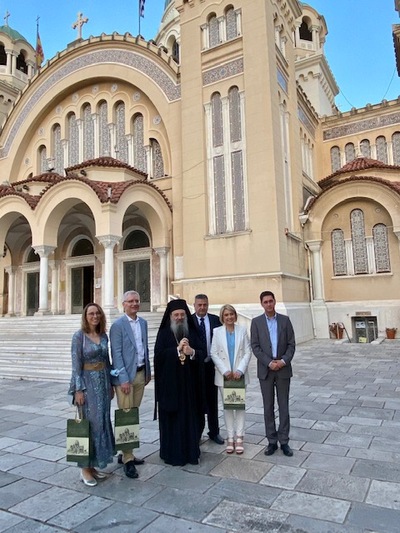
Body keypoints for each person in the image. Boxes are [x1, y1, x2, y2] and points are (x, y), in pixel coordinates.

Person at [68, 303, 115, 487]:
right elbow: (76, 365)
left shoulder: (103, 336)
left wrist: (111, 383)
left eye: (97, 313)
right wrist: (78, 389)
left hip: (103, 383)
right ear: (85, 317)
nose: (95, 316)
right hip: (87, 385)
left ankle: (94, 465)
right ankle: (85, 468)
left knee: (102, 422)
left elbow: (107, 360)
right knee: (89, 425)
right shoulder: (79, 337)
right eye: (91, 314)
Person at [154, 299, 205, 466]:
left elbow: (203, 353)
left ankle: (191, 452)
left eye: (182, 314)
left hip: (190, 386)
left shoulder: (193, 332)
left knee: (190, 419)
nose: (179, 318)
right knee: (173, 421)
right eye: (176, 315)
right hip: (171, 387)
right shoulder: (163, 334)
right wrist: (176, 350)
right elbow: (158, 358)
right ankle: (172, 453)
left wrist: (192, 352)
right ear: (170, 316)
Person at [110, 290, 151, 479]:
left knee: (133, 415)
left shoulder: (143, 323)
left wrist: (148, 371)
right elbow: (116, 353)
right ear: (123, 304)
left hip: (141, 374)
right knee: (126, 416)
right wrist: (123, 379)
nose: (134, 304)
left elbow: (144, 348)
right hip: (125, 379)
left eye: (137, 300)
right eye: (130, 301)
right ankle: (128, 459)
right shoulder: (118, 326)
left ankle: (126, 452)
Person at [250, 291, 295, 457]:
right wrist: (269, 362)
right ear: (261, 304)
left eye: (271, 301)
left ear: (275, 301)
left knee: (283, 406)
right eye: (265, 302)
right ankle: (271, 441)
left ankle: (284, 441)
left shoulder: (285, 320)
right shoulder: (256, 322)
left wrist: (283, 361)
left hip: (283, 369)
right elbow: (255, 346)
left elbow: (291, 344)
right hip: (266, 370)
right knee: (268, 406)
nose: (269, 304)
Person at [211, 304, 252, 454]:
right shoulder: (217, 332)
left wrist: (240, 370)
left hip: (239, 375)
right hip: (225, 376)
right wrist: (225, 370)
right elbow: (214, 353)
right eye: (226, 315)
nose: (229, 317)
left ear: (235, 315)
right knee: (228, 407)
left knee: (239, 406)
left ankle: (239, 437)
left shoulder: (242, 330)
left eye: (231, 314)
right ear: (222, 317)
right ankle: (230, 437)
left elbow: (248, 352)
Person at [192, 294, 224, 445]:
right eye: (199, 305)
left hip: (212, 365)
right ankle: (197, 432)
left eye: (205, 304)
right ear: (194, 305)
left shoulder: (215, 320)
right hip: (195, 367)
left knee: (212, 400)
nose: (202, 307)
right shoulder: (189, 321)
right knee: (197, 401)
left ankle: (214, 432)